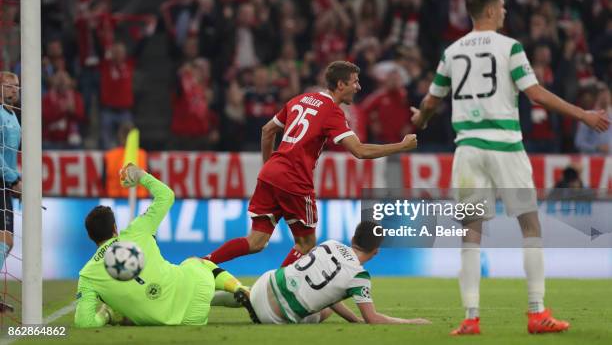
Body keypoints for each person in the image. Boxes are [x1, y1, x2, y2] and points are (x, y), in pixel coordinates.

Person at [410, 0, 609, 335]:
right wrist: (582, 114)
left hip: (468, 149)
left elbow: (429, 103)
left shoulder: (451, 52)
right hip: (504, 145)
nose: (504, 12)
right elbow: (535, 94)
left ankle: (471, 318)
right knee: (530, 225)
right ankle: (536, 312)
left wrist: (420, 121)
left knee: (471, 232)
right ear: (489, 10)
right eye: (501, 7)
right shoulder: (510, 48)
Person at [205, 61, 418, 267]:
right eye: (355, 82)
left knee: (255, 241)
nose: (358, 87)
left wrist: (269, 166)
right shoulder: (333, 112)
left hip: (271, 173)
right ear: (341, 84)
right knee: (306, 244)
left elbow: (267, 130)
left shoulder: (300, 99)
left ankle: (204, 262)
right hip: (295, 179)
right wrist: (401, 146)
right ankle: (276, 290)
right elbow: (360, 151)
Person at [74, 164, 253, 327]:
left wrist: (106, 315)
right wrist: (139, 175)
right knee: (196, 263)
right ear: (115, 227)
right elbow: (166, 195)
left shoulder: (87, 276)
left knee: (164, 301)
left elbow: (84, 323)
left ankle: (245, 294)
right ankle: (240, 289)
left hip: (188, 321)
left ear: (90, 236)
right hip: (194, 292)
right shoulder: (137, 230)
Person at [246, 220, 430, 325]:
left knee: (316, 294)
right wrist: (411, 322)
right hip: (273, 316)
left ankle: (242, 293)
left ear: (352, 239)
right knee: (324, 311)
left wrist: (354, 320)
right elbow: (372, 318)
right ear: (376, 251)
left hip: (263, 284)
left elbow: (329, 292)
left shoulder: (330, 243)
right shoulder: (359, 277)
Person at [0, 71, 21, 313]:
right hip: (3, 181)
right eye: (8, 86)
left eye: (16, 86)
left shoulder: (14, 116)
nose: (14, 90)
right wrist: (14, 178)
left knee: (6, 241)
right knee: (5, 240)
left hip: (6, 183)